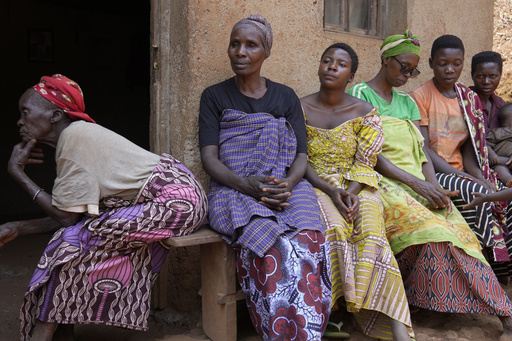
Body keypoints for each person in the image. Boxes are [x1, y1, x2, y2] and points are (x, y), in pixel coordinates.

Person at [0, 74, 208, 341]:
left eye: (25, 112)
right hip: (177, 200)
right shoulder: (75, 137)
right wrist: (16, 227)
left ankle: (46, 328)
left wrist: (17, 173)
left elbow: (65, 219)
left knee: (70, 242)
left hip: (178, 202)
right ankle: (60, 327)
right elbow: (73, 217)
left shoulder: (75, 136)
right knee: (72, 241)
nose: (20, 121)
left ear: (54, 115)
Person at [349, 30, 512, 341]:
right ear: (386, 61)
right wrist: (417, 185)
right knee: (434, 231)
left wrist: (434, 186)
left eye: (413, 71)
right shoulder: (360, 95)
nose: (408, 75)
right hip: (383, 181)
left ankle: (500, 310)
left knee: (461, 233)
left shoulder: (405, 103)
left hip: (417, 183)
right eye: (404, 68)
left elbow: (421, 152)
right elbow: (372, 154)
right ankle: (500, 312)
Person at [198, 15, 331, 341]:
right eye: (235, 44)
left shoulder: (285, 97)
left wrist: (286, 183)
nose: (240, 52)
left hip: (283, 184)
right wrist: (246, 185)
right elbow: (209, 158)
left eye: (250, 45)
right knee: (268, 244)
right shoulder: (214, 96)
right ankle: (280, 333)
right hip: (233, 187)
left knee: (309, 238)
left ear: (266, 51)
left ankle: (309, 332)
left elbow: (301, 155)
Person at [302, 42, 412, 340]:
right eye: (327, 61)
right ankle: (334, 314)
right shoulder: (299, 108)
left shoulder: (364, 111)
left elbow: (366, 162)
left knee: (373, 236)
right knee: (335, 230)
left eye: (340, 64)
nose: (332, 67)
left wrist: (349, 192)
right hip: (317, 184)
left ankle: (396, 326)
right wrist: (332, 191)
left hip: (358, 183)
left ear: (351, 76)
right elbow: (300, 159)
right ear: (319, 66)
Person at [410, 34, 512, 281]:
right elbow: (424, 150)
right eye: (443, 63)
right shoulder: (420, 96)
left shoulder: (468, 98)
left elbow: (469, 149)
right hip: (434, 171)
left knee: (499, 190)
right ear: (432, 62)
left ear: (463, 63)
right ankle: (482, 265)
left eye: (456, 64)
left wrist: (479, 175)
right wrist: (466, 176)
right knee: (472, 192)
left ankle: (503, 268)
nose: (450, 70)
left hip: (461, 169)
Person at [471, 51, 511, 182]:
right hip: (475, 166)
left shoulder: (502, 106)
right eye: (481, 76)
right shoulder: (465, 103)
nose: (486, 81)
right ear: (472, 75)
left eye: (493, 76)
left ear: (500, 76)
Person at [487, 103, 512, 186]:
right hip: (498, 163)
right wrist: (491, 154)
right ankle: (509, 181)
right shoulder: (497, 133)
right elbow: (484, 143)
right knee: (501, 170)